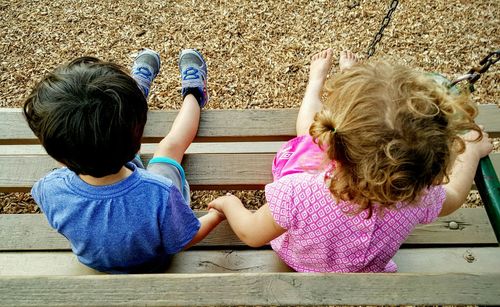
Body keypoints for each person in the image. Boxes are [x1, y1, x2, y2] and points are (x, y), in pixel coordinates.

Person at [208, 49, 493, 272]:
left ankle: (315, 83)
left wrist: (229, 203)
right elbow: (454, 196)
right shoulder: (417, 195)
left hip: (298, 262)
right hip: (367, 271)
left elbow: (252, 234)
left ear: (335, 149)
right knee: (314, 136)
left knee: (307, 135)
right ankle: (335, 80)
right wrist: (472, 153)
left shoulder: (297, 192)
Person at [23, 48, 224, 274]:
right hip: (155, 261)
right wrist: (216, 216)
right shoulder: (159, 192)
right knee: (169, 148)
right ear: (136, 146)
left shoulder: (48, 189)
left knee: (110, 130)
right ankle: (193, 94)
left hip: (96, 263)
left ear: (59, 156)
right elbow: (184, 238)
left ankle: (136, 88)